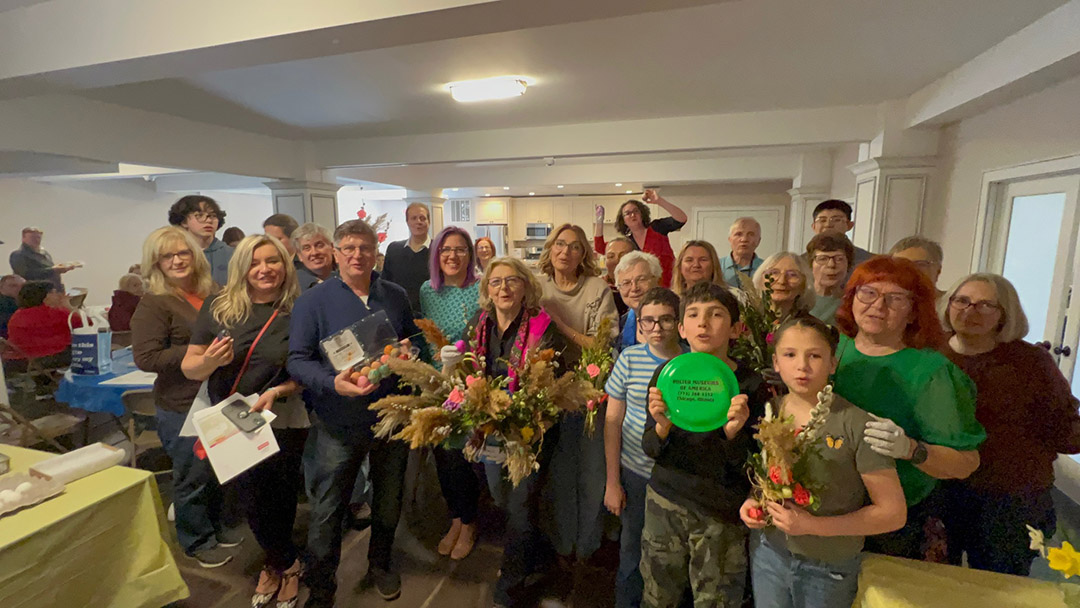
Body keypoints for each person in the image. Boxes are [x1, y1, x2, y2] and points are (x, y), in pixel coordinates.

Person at [287, 219, 421, 606]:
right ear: (336, 253)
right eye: (348, 248)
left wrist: (407, 355)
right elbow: (298, 361)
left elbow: (408, 340)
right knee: (328, 509)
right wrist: (333, 383)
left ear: (376, 252)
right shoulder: (312, 301)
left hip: (391, 417)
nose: (357, 255)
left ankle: (380, 564)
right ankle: (321, 586)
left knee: (388, 500)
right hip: (337, 420)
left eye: (365, 248)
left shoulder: (395, 295)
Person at [740, 317, 907, 608]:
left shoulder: (856, 424)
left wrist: (813, 525)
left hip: (828, 567)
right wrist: (754, 500)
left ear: (832, 363)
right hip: (770, 553)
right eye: (790, 355)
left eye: (814, 356)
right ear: (776, 362)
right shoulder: (768, 413)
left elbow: (892, 513)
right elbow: (767, 474)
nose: (802, 366)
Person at [183, 235, 309, 608]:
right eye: (255, 263)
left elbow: (306, 371)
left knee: (281, 496)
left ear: (285, 265)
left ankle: (276, 563)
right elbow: (191, 367)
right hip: (230, 420)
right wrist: (210, 362)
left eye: (273, 261)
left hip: (279, 417)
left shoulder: (299, 310)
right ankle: (285, 562)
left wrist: (281, 390)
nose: (264, 269)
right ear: (242, 267)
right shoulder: (219, 307)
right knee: (250, 499)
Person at [832, 256, 985, 560]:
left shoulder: (931, 372)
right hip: (830, 506)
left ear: (914, 311)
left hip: (895, 521)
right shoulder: (832, 347)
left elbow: (966, 462)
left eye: (895, 298)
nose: (878, 306)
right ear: (851, 298)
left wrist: (911, 449)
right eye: (868, 292)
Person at [939, 273, 1080, 575]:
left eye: (985, 305)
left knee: (999, 586)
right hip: (941, 490)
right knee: (932, 581)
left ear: (1006, 314)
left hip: (1008, 497)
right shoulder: (930, 352)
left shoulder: (1031, 362)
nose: (970, 311)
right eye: (962, 301)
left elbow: (1064, 427)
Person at [642, 282, 769, 607]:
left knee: (717, 599)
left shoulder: (750, 384)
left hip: (720, 511)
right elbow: (651, 448)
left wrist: (732, 434)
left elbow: (754, 465)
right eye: (694, 315)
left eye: (716, 315)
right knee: (658, 596)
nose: (703, 323)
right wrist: (662, 427)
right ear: (682, 329)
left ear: (735, 328)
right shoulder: (667, 375)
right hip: (666, 500)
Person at [130, 226, 237, 568]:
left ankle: (216, 529)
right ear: (156, 263)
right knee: (192, 476)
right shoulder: (155, 302)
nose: (177, 260)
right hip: (182, 404)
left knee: (217, 470)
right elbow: (146, 358)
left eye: (183, 253)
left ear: (195, 255)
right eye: (167, 256)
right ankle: (196, 542)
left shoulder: (213, 291)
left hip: (219, 396)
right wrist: (197, 352)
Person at [464, 256, 568, 607]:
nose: (504, 288)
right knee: (501, 498)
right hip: (491, 430)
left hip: (529, 432)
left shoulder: (541, 325)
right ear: (487, 289)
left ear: (526, 286)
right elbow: (467, 369)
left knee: (520, 504)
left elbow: (554, 381)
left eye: (512, 280)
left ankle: (510, 584)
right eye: (496, 282)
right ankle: (539, 557)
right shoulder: (479, 324)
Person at [537, 223, 619, 565]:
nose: (565, 252)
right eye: (560, 244)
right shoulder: (538, 287)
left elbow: (601, 345)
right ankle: (561, 543)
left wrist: (560, 324)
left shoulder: (596, 288)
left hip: (589, 392)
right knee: (558, 472)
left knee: (591, 471)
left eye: (574, 246)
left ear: (583, 253)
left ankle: (587, 544)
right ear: (550, 248)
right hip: (547, 393)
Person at [604, 287, 685, 608]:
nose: (656, 328)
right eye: (648, 321)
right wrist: (612, 482)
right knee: (632, 552)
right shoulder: (629, 359)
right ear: (638, 324)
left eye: (665, 320)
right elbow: (613, 422)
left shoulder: (691, 361)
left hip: (676, 474)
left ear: (678, 322)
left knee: (672, 557)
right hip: (636, 473)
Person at [419, 227, 482, 561]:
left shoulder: (481, 289)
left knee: (462, 457)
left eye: (460, 249)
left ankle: (469, 522)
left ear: (470, 255)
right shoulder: (427, 290)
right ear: (436, 254)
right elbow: (425, 338)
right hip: (436, 383)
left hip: (469, 383)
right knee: (442, 456)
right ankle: (455, 518)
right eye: (445, 250)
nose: (452, 256)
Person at [594, 190, 688, 288]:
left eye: (636, 211)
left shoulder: (657, 228)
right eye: (628, 213)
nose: (633, 215)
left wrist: (659, 201)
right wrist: (599, 220)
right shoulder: (628, 243)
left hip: (671, 285)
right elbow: (600, 248)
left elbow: (681, 219)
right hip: (645, 288)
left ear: (642, 214)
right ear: (624, 220)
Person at [7, 280, 80, 367]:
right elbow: (86, 324)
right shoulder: (53, 313)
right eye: (54, 292)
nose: (59, 296)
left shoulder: (18, 315)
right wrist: (68, 306)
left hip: (20, 360)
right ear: (46, 297)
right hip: (45, 358)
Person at [168, 195, 233, 285]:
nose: (209, 220)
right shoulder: (173, 255)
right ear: (184, 221)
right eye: (199, 215)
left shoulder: (232, 254)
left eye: (213, 216)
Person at [381, 202, 431, 312]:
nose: (418, 222)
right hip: (399, 312)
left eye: (422, 218)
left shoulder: (439, 250)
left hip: (431, 313)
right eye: (414, 218)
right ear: (407, 222)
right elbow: (385, 283)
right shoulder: (394, 249)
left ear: (429, 222)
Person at [614, 251, 662, 350]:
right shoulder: (619, 325)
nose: (634, 288)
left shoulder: (677, 318)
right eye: (626, 283)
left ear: (658, 280)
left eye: (641, 280)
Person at [806, 233, 854, 325]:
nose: (831, 265)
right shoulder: (798, 300)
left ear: (848, 264)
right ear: (811, 264)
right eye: (822, 259)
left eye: (839, 259)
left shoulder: (853, 303)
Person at [810, 200, 872, 269]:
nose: (828, 225)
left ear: (849, 225)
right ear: (813, 226)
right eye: (822, 220)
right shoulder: (802, 262)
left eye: (837, 220)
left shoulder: (868, 261)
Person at [752, 252, 815, 319]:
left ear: (804, 285)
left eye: (792, 275)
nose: (782, 281)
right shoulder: (747, 319)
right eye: (774, 273)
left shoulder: (810, 325)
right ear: (760, 280)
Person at [719, 218, 765, 288]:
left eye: (751, 234)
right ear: (730, 239)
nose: (744, 239)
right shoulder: (716, 266)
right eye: (738, 234)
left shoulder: (767, 268)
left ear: (758, 240)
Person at [292, 223, 337, 291]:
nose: (314, 253)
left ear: (332, 247)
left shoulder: (347, 274)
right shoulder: (294, 286)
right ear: (299, 255)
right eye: (307, 248)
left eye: (319, 246)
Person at [604, 237, 635, 317]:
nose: (617, 261)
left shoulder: (641, 289)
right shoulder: (598, 288)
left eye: (623, 256)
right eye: (611, 256)